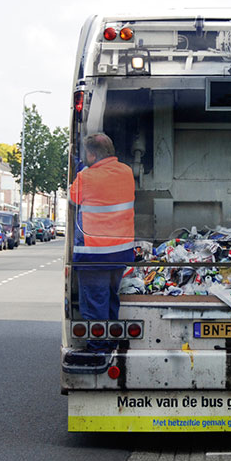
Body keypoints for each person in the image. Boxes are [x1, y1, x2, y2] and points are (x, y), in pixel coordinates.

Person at [70, 133, 135, 352]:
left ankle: (99, 347)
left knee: (95, 303)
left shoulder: (87, 177)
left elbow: (74, 198)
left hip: (94, 255)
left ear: (92, 154)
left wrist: (82, 171)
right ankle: (111, 341)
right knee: (110, 301)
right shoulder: (127, 172)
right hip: (120, 254)